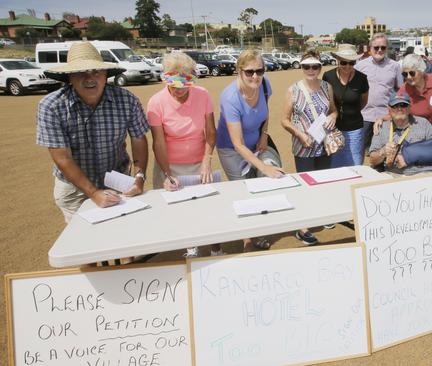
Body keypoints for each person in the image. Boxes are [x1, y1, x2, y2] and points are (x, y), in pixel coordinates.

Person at [36, 41, 149, 224]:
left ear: (105, 75)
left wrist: (139, 177)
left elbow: (138, 139)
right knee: (86, 242)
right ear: (69, 77)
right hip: (74, 188)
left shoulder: (127, 100)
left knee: (123, 232)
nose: (90, 78)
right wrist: (94, 193)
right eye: (81, 72)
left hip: (117, 179)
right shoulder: (51, 106)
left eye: (96, 71)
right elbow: (62, 158)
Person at [375, 54, 432, 221]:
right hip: (420, 137)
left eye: (411, 73)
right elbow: (396, 111)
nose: (408, 78)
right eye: (404, 74)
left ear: (421, 71)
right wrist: (381, 119)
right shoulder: (404, 90)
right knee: (424, 170)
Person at [147, 52, 218, 257]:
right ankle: (191, 246)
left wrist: (207, 160)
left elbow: (210, 132)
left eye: (184, 85)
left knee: (206, 207)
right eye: (173, 85)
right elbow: (158, 142)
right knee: (181, 209)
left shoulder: (203, 94)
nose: (178, 90)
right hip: (170, 163)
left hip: (199, 160)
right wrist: (167, 173)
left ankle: (215, 247)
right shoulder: (156, 102)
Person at [216, 49, 285, 251]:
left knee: (259, 189)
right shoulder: (230, 98)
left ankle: (259, 231)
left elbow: (265, 112)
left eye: (259, 70)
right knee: (242, 190)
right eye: (249, 72)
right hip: (231, 149)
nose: (255, 76)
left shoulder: (264, 84)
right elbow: (237, 143)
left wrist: (264, 134)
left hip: (256, 142)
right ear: (239, 71)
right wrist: (264, 167)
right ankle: (247, 238)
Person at [280, 50, 337, 245]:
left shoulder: (327, 87)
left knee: (321, 182)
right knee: (305, 185)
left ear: (320, 68)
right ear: (301, 67)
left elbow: (333, 110)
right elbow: (284, 121)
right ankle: (302, 227)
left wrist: (334, 116)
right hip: (303, 146)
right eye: (306, 66)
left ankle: (319, 216)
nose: (311, 70)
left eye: (315, 66)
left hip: (324, 145)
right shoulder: (293, 90)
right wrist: (300, 134)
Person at [369, 93, 432, 176]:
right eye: (395, 106)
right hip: (393, 174)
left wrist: (409, 157)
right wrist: (382, 152)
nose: (399, 109)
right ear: (389, 109)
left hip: (422, 172)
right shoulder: (382, 127)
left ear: (409, 108)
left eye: (403, 105)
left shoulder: (423, 124)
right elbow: (373, 160)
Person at [322, 43, 369, 168]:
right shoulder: (328, 76)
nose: (347, 66)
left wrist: (352, 112)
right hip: (333, 130)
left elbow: (364, 101)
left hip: (355, 129)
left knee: (355, 165)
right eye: (343, 62)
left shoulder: (362, 78)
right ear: (337, 60)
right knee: (334, 167)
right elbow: (324, 100)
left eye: (351, 63)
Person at [355, 33, 403, 151]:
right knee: (360, 151)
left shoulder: (395, 66)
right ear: (370, 48)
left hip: (386, 117)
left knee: (385, 151)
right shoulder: (360, 66)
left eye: (383, 47)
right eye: (376, 47)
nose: (379, 50)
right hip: (364, 116)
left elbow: (400, 90)